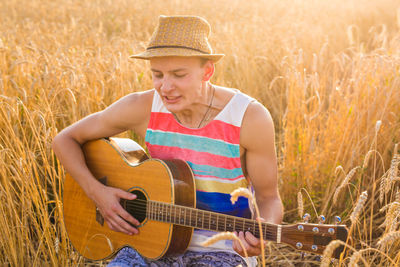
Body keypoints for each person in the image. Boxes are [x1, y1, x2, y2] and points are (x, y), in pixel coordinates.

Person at [52, 15, 283, 267]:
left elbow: (268, 197)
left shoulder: (249, 117)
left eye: (178, 74)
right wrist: (98, 193)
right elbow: (65, 139)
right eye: (157, 74)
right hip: (149, 243)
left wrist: (262, 233)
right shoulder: (142, 107)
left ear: (207, 71)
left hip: (224, 250)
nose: (165, 87)